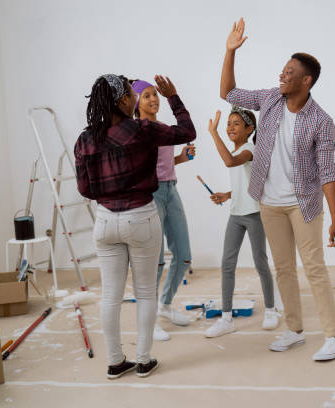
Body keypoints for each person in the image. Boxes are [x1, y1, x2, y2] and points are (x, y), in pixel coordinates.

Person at [219, 18, 335, 361]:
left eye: (290, 72)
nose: (282, 75)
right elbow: (228, 93)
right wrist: (230, 51)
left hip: (303, 205)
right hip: (269, 202)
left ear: (306, 81)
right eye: (283, 70)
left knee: (315, 268)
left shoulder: (321, 121)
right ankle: (294, 329)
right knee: (283, 268)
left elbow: (328, 172)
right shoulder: (271, 100)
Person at [74, 74, 196, 378]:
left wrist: (109, 195)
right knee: (144, 292)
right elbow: (187, 131)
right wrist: (173, 97)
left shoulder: (85, 139)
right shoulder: (142, 130)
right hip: (141, 216)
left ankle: (115, 362)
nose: (134, 99)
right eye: (131, 94)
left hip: (105, 222)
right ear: (123, 100)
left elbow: (85, 189)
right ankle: (143, 359)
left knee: (111, 296)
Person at [205, 106, 280, 338]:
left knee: (260, 262)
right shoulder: (239, 153)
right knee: (227, 264)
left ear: (250, 129)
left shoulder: (249, 150)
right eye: (229, 124)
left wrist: (213, 132)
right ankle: (226, 318)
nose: (230, 127)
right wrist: (227, 195)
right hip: (236, 214)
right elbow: (245, 182)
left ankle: (271, 309)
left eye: (236, 123)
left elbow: (229, 162)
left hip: (255, 215)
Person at [131, 79, 196, 342]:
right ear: (135, 103)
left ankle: (166, 306)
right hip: (152, 195)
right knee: (155, 262)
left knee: (183, 256)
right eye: (146, 96)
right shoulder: (137, 130)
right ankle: (150, 319)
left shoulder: (165, 129)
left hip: (172, 191)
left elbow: (166, 162)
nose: (153, 99)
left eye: (155, 95)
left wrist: (183, 157)